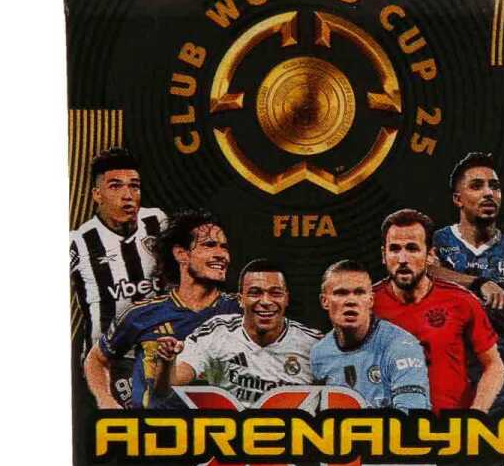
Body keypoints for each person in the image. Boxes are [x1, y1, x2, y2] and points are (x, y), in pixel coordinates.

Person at [84, 210, 239, 408]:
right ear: (181, 254)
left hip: (220, 425)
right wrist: (106, 400)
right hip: (156, 426)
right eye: (209, 245)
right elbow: (96, 358)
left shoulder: (242, 311)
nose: (222, 255)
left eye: (224, 247)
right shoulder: (142, 314)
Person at [373, 209, 504, 413]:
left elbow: (494, 365)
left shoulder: (462, 301)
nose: (402, 259)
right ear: (384, 255)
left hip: (449, 425)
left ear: (430, 255)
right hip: (390, 424)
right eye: (395, 249)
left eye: (412, 249)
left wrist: (476, 414)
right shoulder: (367, 304)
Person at [150, 260, 321, 407]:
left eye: (275, 293)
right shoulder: (217, 332)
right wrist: (167, 362)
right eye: (255, 293)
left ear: (286, 299)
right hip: (234, 434)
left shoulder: (312, 344)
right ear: (240, 299)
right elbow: (167, 388)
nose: (266, 301)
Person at [69, 148, 167, 404]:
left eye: (134, 186)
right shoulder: (79, 243)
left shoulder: (157, 222)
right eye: (115, 186)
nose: (128, 195)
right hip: (110, 362)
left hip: (160, 355)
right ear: (96, 194)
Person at [432, 152, 504, 410]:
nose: (488, 193)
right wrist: (480, 283)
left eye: (494, 187)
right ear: (458, 199)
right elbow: (427, 272)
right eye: (476, 186)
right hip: (446, 369)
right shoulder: (438, 241)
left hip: (495, 373)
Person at [310, 259, 430, 412]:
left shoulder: (401, 346)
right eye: (341, 293)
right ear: (324, 301)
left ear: (371, 300)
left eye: (359, 293)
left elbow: (412, 416)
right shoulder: (319, 353)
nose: (351, 301)